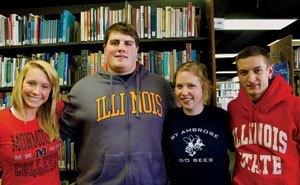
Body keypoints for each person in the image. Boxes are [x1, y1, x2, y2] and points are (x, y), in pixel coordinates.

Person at [59, 22, 174, 185]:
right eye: (115, 43)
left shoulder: (161, 87)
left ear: (137, 49)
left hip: (150, 181)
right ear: (104, 48)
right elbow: (57, 132)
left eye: (128, 43)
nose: (121, 48)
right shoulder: (82, 89)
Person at [228, 46, 300, 185]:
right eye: (243, 72)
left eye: (257, 70)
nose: (251, 78)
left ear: (270, 71)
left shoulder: (295, 106)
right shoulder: (234, 108)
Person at [163, 62, 234, 185]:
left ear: (204, 86)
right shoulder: (169, 119)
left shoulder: (221, 117)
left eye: (191, 86)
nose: (184, 92)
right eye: (179, 86)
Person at [0, 60, 62, 185]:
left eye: (45, 86)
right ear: (20, 83)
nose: (36, 92)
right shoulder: (2, 121)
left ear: (51, 92)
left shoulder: (53, 114)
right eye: (31, 83)